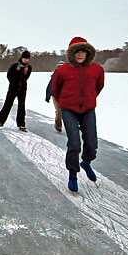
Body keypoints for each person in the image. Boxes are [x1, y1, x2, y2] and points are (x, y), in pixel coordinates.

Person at [52, 37, 104, 192]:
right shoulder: (62, 71)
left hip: (88, 110)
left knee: (92, 143)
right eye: (77, 51)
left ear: (88, 53)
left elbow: (98, 87)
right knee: (74, 143)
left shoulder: (97, 70)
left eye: (83, 51)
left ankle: (86, 162)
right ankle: (72, 174)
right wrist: (66, 103)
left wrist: (88, 99)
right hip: (69, 110)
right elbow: (55, 89)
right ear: (71, 54)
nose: (80, 54)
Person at [0, 50, 32, 132]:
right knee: (8, 104)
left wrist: (25, 73)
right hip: (13, 89)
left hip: (22, 90)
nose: (26, 60)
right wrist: (15, 78)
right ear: (21, 58)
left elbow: (26, 78)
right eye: (24, 58)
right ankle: (0, 121)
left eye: (27, 59)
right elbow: (9, 76)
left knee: (21, 106)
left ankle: (21, 124)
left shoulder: (29, 67)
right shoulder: (14, 66)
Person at [45, 61, 65, 132]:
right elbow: (50, 86)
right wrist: (48, 96)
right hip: (55, 95)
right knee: (59, 110)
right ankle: (58, 126)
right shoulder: (54, 76)